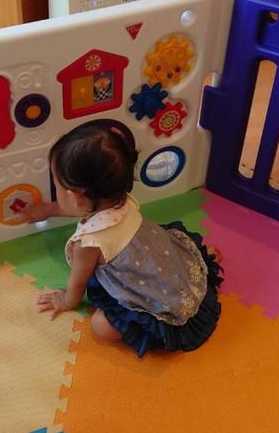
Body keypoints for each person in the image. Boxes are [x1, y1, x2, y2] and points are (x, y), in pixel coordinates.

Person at [24, 123, 223, 357]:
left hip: (158, 301)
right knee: (173, 246)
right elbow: (84, 207)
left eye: (57, 186)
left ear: (75, 197)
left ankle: (154, 330)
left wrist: (66, 301)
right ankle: (197, 264)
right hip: (163, 262)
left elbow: (78, 284)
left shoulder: (87, 244)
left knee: (100, 326)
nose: (56, 192)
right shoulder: (118, 197)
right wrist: (48, 210)